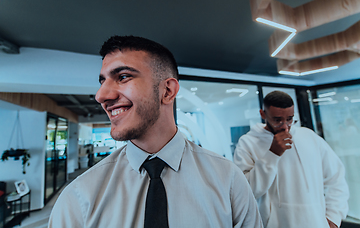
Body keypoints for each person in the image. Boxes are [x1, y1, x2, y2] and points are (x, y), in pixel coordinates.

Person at [48, 35, 263, 228]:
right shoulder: (79, 196)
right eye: (102, 81)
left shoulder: (228, 180)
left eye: (123, 77)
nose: (101, 95)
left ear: (168, 91)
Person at [233, 90, 349, 228]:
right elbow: (246, 192)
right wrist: (272, 154)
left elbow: (336, 178)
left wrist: (334, 217)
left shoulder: (309, 137)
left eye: (289, 119)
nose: (285, 126)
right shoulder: (248, 143)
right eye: (277, 120)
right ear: (263, 114)